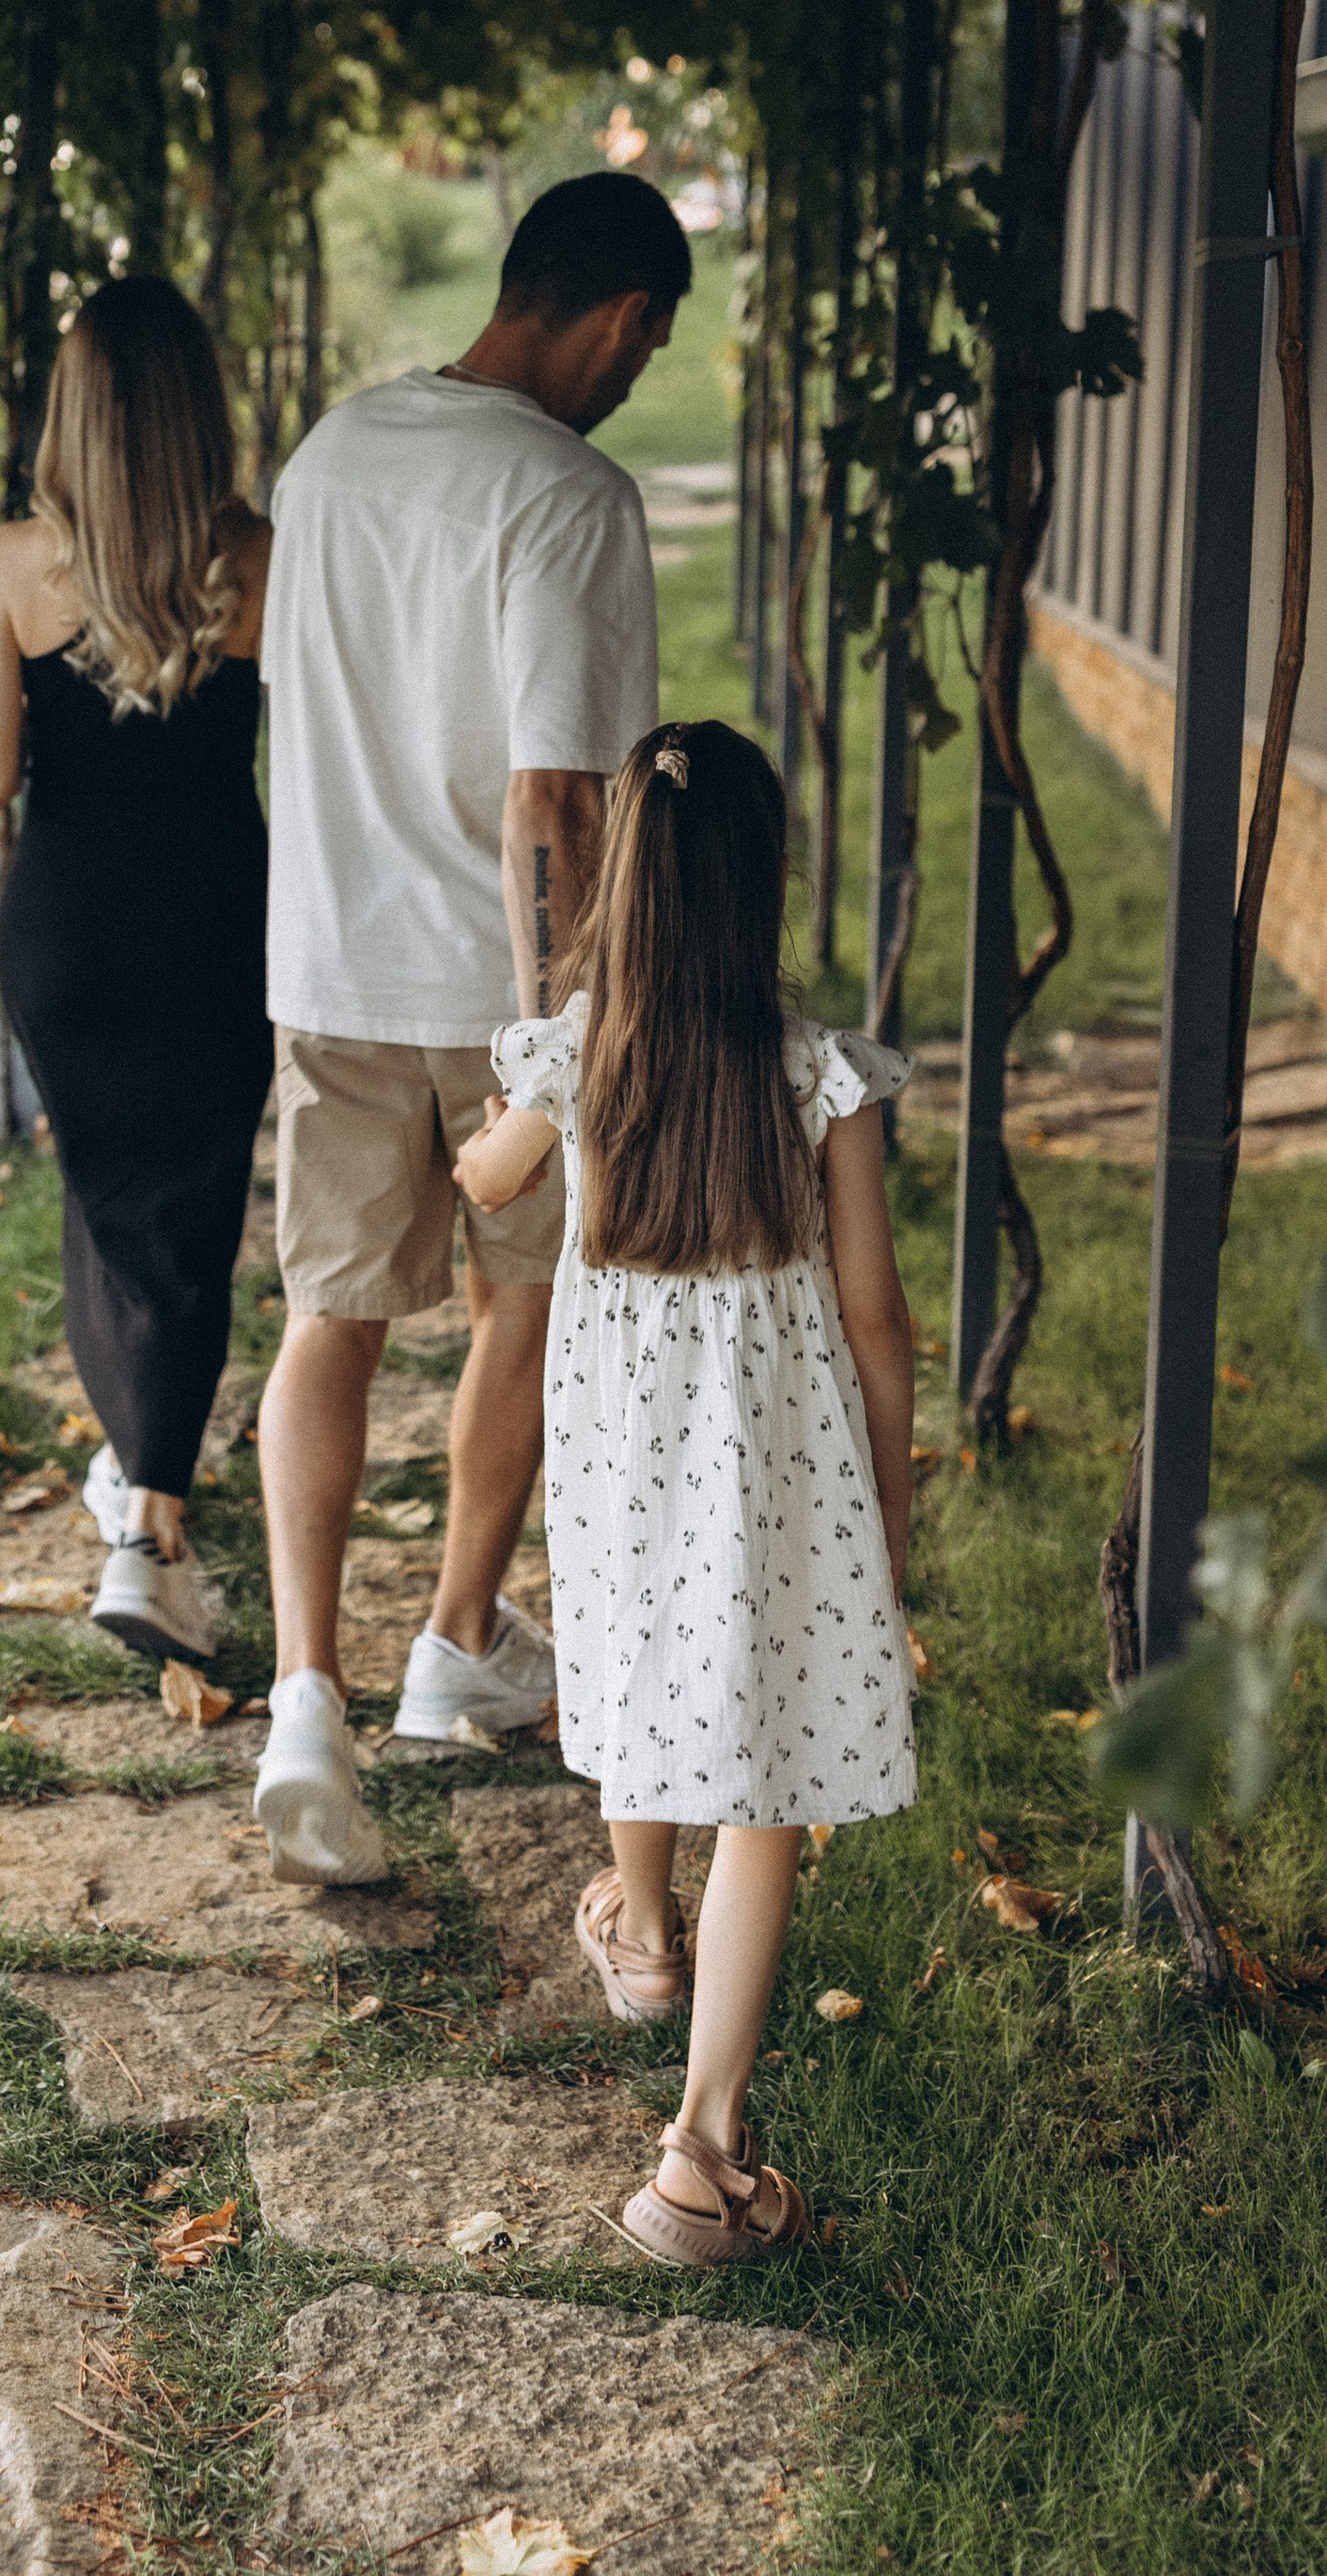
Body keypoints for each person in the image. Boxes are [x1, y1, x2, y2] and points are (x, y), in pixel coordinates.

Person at [251, 169, 691, 1885]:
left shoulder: (330, 454)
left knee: (326, 1320)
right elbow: (548, 797)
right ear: (620, 317)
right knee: (527, 1302)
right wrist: (556, 1032)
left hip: (328, 964)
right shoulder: (567, 494)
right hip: (488, 983)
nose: (638, 377)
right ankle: (452, 1639)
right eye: (647, 346)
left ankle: (306, 1695)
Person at [456, 717, 917, 2267]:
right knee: (764, 1783)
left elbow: (489, 1179)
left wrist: (538, 1070)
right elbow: (878, 1326)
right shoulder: (817, 1081)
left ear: (622, 891)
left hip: (618, 1457)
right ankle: (701, 2151)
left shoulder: (582, 1059)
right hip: (783, 1468)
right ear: (764, 885)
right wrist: (889, 1519)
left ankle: (642, 1934)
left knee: (649, 1673)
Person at [0, 277, 272, 1667]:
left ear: (69, 412)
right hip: (217, 914)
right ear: (201, 412)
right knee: (185, 1220)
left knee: (106, 1196)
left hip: (69, 928)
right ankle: (149, 1518)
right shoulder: (262, 561)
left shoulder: (11, 564)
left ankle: (141, 1493)